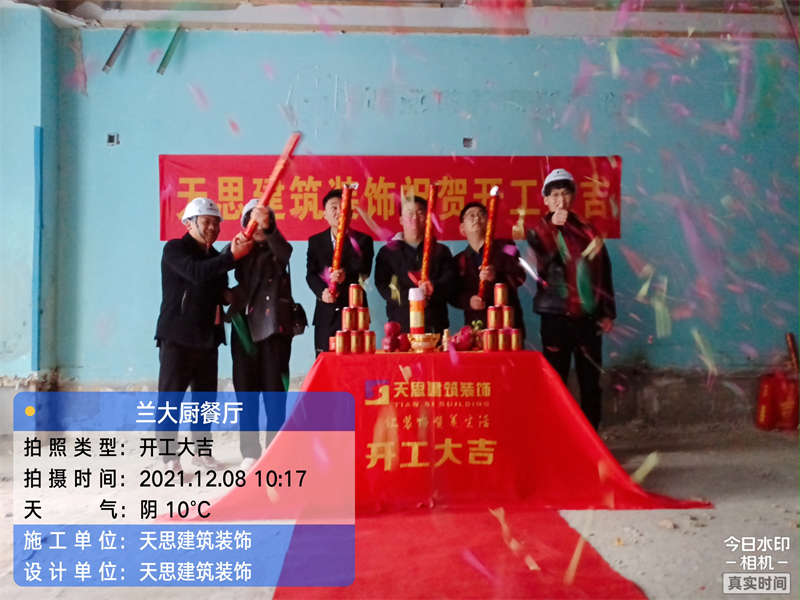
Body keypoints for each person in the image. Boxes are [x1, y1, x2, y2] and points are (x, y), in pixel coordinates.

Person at [154, 196, 253, 473]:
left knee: (205, 400)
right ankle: (169, 457)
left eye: (216, 223)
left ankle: (202, 451)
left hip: (208, 338)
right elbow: (196, 273)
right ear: (189, 224)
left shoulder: (215, 257)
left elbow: (219, 292)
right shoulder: (175, 249)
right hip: (177, 337)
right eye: (206, 222)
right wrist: (231, 257)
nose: (212, 228)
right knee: (171, 399)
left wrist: (241, 291)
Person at [526, 168, 615, 430]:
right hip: (555, 316)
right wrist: (554, 227)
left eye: (565, 194)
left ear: (573, 197)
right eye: (554, 195)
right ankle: (556, 437)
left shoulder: (588, 231)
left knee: (590, 380)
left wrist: (607, 312)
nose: (560, 200)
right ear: (546, 200)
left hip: (588, 316)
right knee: (555, 380)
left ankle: (591, 437)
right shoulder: (538, 231)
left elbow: (603, 271)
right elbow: (543, 261)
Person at [229, 199, 294, 472]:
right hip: (244, 329)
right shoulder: (238, 249)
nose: (257, 227)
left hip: (273, 330)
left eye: (263, 222)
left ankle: (275, 451)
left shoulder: (277, 250)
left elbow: (285, 252)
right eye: (252, 221)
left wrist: (269, 231)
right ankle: (250, 452)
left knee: (274, 392)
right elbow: (218, 267)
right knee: (245, 392)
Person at [374, 194, 457, 334]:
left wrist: (432, 289)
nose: (415, 218)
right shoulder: (387, 252)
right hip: (401, 327)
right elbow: (383, 286)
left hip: (435, 326)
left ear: (427, 218)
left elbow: (451, 282)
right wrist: (415, 297)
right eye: (409, 214)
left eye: (420, 213)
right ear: (401, 219)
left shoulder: (440, 251)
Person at [306, 188, 374, 355]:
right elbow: (311, 274)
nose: (339, 212)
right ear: (325, 214)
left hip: (354, 314)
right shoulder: (315, 241)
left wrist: (345, 275)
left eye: (343, 207)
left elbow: (364, 271)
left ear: (350, 213)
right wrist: (322, 293)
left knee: (356, 363)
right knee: (325, 363)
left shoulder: (363, 240)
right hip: (325, 314)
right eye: (334, 208)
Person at [450, 201, 526, 339]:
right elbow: (453, 294)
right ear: (462, 228)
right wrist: (469, 301)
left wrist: (496, 276)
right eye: (471, 215)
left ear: (489, 223)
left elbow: (520, 276)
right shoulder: (458, 260)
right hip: (476, 326)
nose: (477, 218)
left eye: (481, 215)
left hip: (507, 324)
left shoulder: (508, 246)